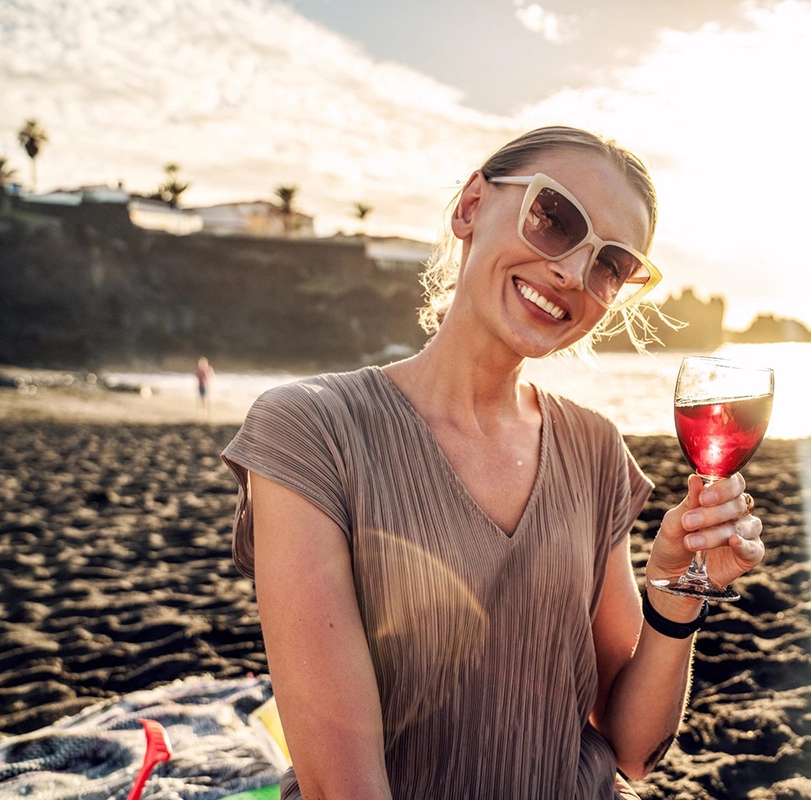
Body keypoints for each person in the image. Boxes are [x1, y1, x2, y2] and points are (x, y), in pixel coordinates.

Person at [221, 126, 765, 799]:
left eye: (610, 266)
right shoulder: (310, 431)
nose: (573, 272)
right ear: (471, 205)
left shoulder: (594, 449)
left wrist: (675, 589)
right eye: (554, 217)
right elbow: (344, 788)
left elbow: (633, 750)